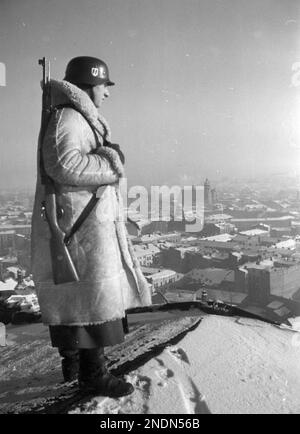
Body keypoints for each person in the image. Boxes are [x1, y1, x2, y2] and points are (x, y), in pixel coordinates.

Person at [31, 56, 152, 397]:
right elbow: (63, 163)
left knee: (83, 300)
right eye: (104, 86)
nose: (107, 94)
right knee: (92, 304)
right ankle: (92, 375)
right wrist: (111, 161)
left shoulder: (74, 117)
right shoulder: (69, 118)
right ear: (89, 85)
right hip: (81, 230)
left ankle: (73, 365)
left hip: (83, 225)